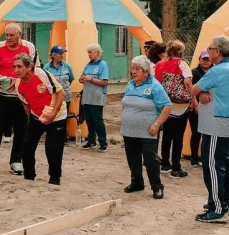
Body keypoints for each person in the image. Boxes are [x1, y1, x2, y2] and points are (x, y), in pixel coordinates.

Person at [0, 23, 39, 174]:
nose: (9, 38)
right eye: (6, 35)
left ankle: (16, 161)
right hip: (2, 95)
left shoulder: (29, 47)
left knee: (21, 130)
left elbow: (34, 69)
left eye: (12, 35)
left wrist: (18, 81)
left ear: (20, 35)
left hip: (22, 96)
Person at [191, 35, 229, 223]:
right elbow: (202, 90)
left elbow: (194, 89)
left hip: (215, 124)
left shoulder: (217, 70)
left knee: (212, 165)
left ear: (216, 51)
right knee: (223, 163)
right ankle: (223, 200)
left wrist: (201, 91)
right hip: (224, 122)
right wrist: (204, 91)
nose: (208, 51)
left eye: (209, 48)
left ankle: (216, 208)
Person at [121, 55, 173, 199]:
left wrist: (157, 124)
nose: (134, 71)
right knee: (133, 158)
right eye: (133, 68)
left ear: (146, 72)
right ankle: (137, 182)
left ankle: (157, 187)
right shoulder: (130, 84)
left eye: (137, 69)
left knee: (150, 160)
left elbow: (167, 106)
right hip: (129, 130)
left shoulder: (154, 86)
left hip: (147, 131)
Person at [15, 53, 68, 185]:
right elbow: (25, 103)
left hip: (57, 115)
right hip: (36, 115)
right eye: (14, 67)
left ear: (29, 67)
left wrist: (53, 113)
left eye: (19, 66)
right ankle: (29, 176)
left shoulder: (42, 74)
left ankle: (54, 179)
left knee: (53, 149)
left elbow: (61, 93)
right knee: (27, 146)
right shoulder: (18, 83)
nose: (16, 70)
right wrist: (31, 120)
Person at [154, 40, 194, 178]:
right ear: (181, 52)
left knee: (166, 136)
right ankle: (176, 168)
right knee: (178, 137)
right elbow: (188, 82)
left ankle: (165, 164)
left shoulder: (160, 65)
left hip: (165, 104)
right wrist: (193, 99)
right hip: (180, 106)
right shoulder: (183, 64)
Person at [80, 44, 110, 153]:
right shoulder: (88, 65)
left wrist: (91, 79)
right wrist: (82, 79)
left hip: (97, 97)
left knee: (98, 120)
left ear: (97, 52)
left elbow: (105, 82)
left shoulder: (103, 65)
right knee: (89, 120)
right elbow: (82, 77)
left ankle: (103, 143)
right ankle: (91, 141)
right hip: (87, 97)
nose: (89, 55)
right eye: (88, 52)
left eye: (90, 52)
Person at [187, 50, 212, 167]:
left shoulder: (214, 72)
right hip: (196, 106)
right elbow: (191, 90)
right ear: (199, 60)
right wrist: (195, 103)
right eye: (204, 59)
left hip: (210, 106)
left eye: (208, 59)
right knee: (196, 132)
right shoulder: (194, 73)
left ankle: (203, 156)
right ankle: (194, 157)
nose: (206, 61)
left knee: (206, 132)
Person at [44, 45, 75, 113]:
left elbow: (71, 79)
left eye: (62, 54)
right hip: (53, 98)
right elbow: (44, 82)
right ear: (54, 55)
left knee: (65, 117)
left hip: (66, 97)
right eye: (60, 54)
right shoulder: (47, 67)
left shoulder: (67, 66)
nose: (62, 56)